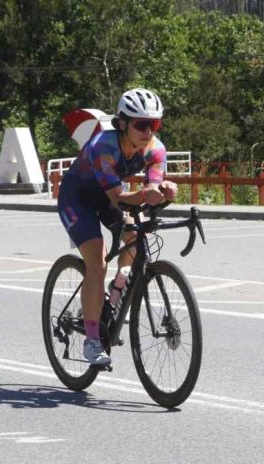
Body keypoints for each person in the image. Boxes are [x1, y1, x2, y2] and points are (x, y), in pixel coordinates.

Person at [57, 88, 178, 368]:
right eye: (141, 124)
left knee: (136, 237)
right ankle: (91, 341)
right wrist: (149, 193)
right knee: (96, 262)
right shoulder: (103, 146)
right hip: (78, 198)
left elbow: (149, 189)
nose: (149, 131)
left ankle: (115, 292)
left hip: (111, 194)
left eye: (155, 125)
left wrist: (163, 190)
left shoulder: (156, 150)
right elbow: (120, 199)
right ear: (122, 123)